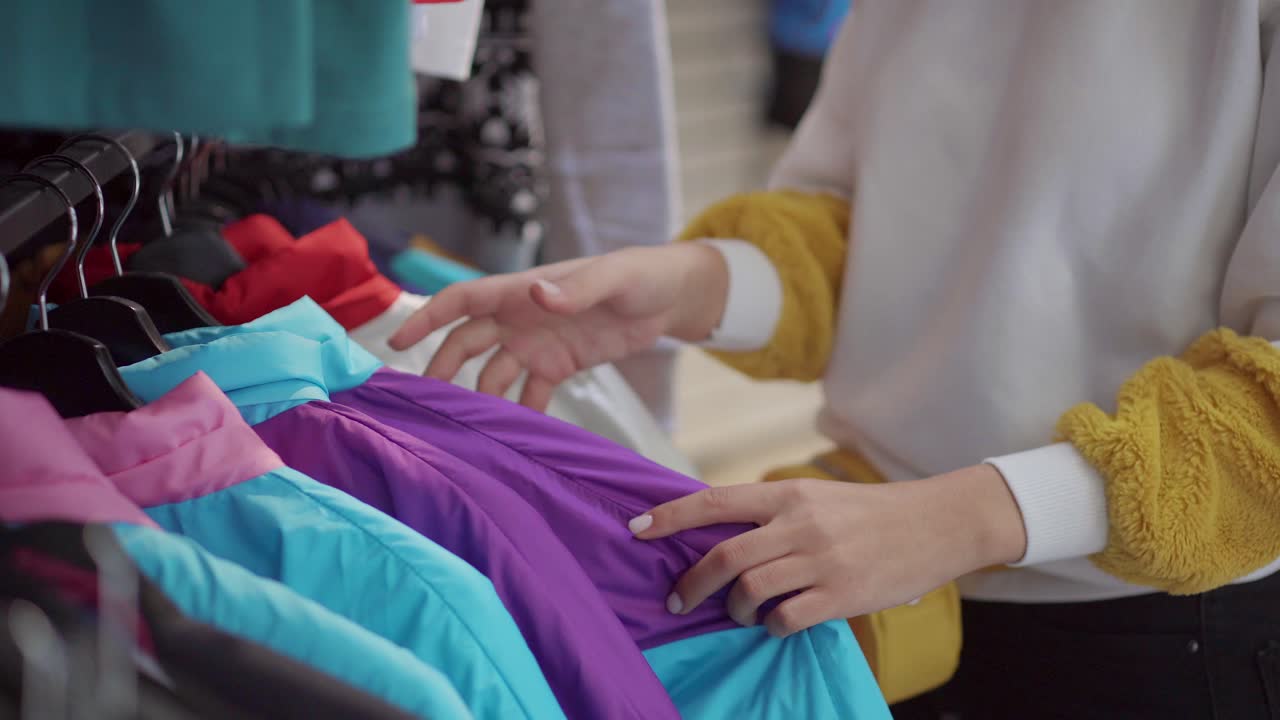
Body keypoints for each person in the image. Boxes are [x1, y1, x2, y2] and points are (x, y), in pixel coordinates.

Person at [388, 2, 1280, 717]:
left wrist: (957, 519)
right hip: (867, 587)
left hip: (1154, 633)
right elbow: (874, 233)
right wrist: (687, 285)